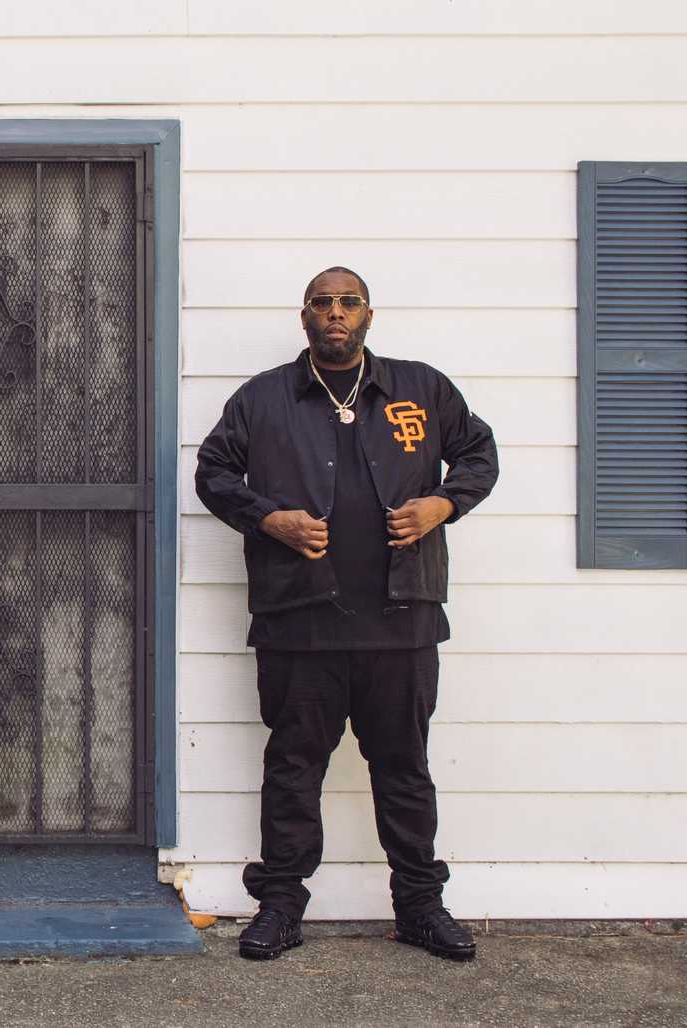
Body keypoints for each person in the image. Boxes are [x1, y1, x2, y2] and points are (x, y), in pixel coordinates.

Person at [194, 267, 499, 962]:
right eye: (322, 302)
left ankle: (420, 906)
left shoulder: (421, 389)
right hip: (301, 623)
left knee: (404, 769)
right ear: (304, 315)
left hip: (402, 622)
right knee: (294, 767)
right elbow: (213, 472)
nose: (335, 312)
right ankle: (280, 906)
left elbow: (478, 454)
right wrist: (270, 518)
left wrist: (442, 504)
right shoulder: (264, 399)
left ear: (368, 314)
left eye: (348, 302)